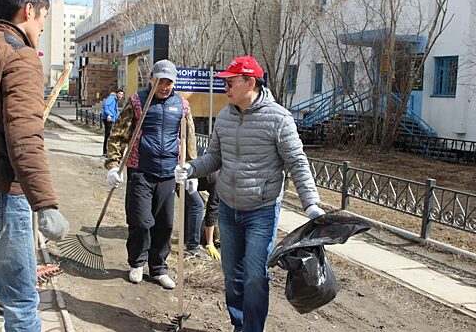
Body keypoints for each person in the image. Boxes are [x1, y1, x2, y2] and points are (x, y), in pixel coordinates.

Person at [175, 56, 325, 332]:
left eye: (231, 82)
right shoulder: (224, 115)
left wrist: (311, 203)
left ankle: (252, 329)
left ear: (250, 82)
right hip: (229, 210)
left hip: (262, 211)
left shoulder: (279, 118)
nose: (226, 88)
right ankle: (239, 323)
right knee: (232, 275)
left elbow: (297, 162)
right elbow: (215, 157)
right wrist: (191, 168)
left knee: (255, 276)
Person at [0, 0, 70, 330]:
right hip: (1, 196)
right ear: (28, 11)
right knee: (20, 302)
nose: (43, 27)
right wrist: (45, 203)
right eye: (43, 17)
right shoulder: (19, 56)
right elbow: (25, 137)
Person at [105, 59, 196, 289]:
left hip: (168, 174)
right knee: (141, 222)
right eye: (160, 81)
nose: (164, 86)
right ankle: (137, 262)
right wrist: (114, 166)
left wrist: (193, 170)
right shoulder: (137, 102)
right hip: (141, 171)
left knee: (164, 225)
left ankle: (158, 268)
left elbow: (189, 139)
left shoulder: (182, 106)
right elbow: (117, 135)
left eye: (169, 82)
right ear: (150, 79)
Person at [102, 88, 124, 156]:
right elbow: (105, 105)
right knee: (108, 135)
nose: (121, 95)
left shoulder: (116, 100)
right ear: (116, 93)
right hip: (108, 118)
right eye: (120, 94)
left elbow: (115, 111)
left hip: (112, 119)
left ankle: (108, 151)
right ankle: (105, 152)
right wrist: (109, 114)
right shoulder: (112, 98)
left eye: (122, 94)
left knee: (111, 135)